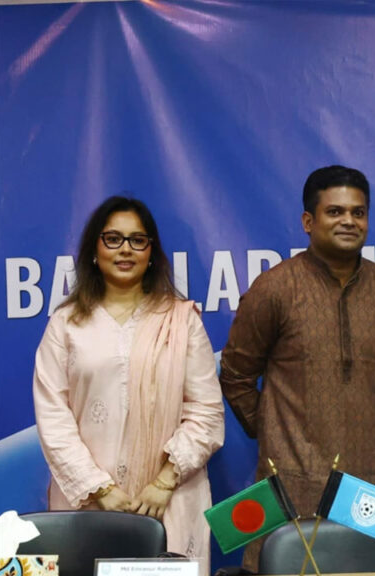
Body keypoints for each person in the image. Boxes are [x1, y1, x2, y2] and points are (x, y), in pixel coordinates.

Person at [219, 165, 375, 567]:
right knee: (284, 567)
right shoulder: (275, 288)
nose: (349, 221)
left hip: (369, 481)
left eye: (358, 213)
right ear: (308, 222)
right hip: (291, 481)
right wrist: (275, 428)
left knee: (370, 572)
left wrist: (362, 415)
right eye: (335, 212)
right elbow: (236, 374)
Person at [33, 196, 225, 564]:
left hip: (167, 500)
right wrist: (99, 489)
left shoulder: (182, 321)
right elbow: (53, 416)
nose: (126, 249)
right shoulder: (66, 324)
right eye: (113, 239)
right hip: (87, 503)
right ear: (95, 250)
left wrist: (164, 483)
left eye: (138, 240)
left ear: (151, 253)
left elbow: (207, 412)